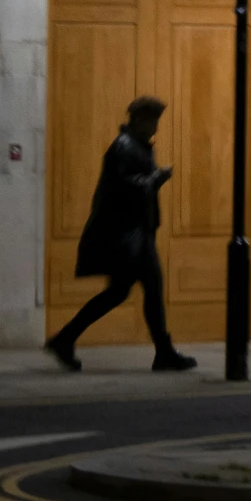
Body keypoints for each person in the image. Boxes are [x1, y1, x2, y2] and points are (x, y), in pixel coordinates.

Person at [46, 95, 198, 373]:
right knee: (148, 288)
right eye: (153, 121)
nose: (156, 128)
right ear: (139, 120)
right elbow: (126, 187)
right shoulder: (124, 147)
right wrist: (156, 179)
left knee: (120, 292)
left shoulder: (135, 146)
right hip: (128, 235)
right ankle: (163, 353)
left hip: (134, 234)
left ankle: (66, 338)